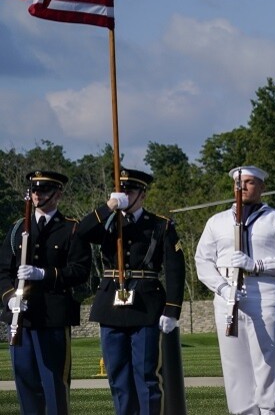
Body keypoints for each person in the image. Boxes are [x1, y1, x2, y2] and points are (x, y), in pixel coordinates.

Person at [194, 165, 275, 415]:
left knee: (266, 361)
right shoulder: (218, 222)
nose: (243, 187)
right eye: (239, 183)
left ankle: (269, 411)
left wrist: (258, 265)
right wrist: (222, 288)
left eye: (249, 182)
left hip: (265, 293)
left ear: (262, 187)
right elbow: (202, 261)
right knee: (235, 366)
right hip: (228, 296)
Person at [76, 169, 185, 415]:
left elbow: (175, 269)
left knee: (147, 375)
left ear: (142, 195)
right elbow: (80, 232)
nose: (125, 194)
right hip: (110, 306)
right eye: (121, 190)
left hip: (145, 306)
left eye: (130, 191)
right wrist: (109, 206)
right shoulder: (108, 222)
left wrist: (172, 309)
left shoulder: (160, 225)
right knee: (117, 376)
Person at [1, 171, 91, 415]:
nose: (37, 194)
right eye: (34, 190)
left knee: (54, 383)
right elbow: (3, 270)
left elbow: (81, 271)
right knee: (25, 381)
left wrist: (45, 274)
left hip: (53, 318)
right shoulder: (18, 229)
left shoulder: (72, 229)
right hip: (22, 318)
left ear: (57, 194)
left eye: (43, 190)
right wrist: (10, 298)